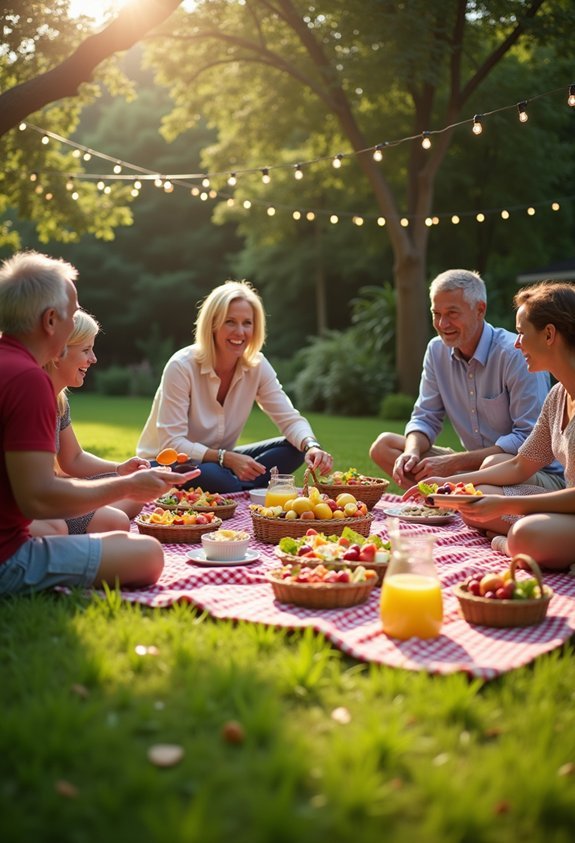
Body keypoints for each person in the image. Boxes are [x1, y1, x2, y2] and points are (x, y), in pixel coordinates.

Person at [0, 251, 200, 596]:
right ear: (50, 320)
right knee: (148, 554)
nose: (76, 319)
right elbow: (38, 497)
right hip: (9, 557)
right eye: (73, 311)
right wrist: (126, 487)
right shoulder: (28, 381)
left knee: (119, 530)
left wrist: (122, 478)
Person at [403, 281, 575, 571]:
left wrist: (507, 506)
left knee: (523, 533)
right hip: (566, 508)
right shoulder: (558, 396)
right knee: (473, 503)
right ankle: (529, 539)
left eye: (521, 333)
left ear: (549, 335)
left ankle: (507, 543)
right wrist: (452, 485)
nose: (517, 342)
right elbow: (521, 464)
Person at [370, 268, 564, 491]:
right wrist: (411, 452)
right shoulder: (436, 351)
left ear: (480, 309)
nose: (443, 324)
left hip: (528, 471)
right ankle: (453, 499)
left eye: (452, 313)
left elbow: (527, 441)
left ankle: (457, 500)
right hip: (474, 466)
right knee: (385, 446)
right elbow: (425, 417)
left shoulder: (517, 355)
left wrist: (453, 463)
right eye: (436, 314)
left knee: (491, 468)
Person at [137, 280, 333, 492]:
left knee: (296, 449)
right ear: (213, 324)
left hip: (220, 462)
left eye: (247, 323)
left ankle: (233, 486)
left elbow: (290, 418)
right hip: (168, 463)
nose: (240, 332)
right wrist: (227, 459)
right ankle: (237, 485)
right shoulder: (182, 366)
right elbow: (172, 443)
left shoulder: (257, 365)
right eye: (230, 322)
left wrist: (311, 446)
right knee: (216, 477)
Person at [29, 309, 147, 538]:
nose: (93, 359)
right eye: (85, 350)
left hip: (50, 493)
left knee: (132, 494)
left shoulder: (59, 400)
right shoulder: (31, 399)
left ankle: (88, 521)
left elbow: (73, 459)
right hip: (36, 499)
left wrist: (119, 468)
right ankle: (86, 523)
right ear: (57, 353)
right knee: (117, 521)